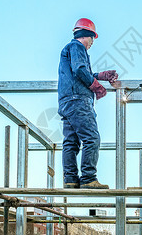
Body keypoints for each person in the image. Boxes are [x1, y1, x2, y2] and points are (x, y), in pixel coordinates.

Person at [58, 18, 118, 189]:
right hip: (78, 101)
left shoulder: (68, 49)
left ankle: (70, 180)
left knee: (71, 142)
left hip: (66, 101)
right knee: (92, 138)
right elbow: (80, 70)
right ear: (87, 35)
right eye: (92, 38)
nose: (92, 42)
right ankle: (88, 178)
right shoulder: (77, 47)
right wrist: (96, 86)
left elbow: (80, 71)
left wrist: (101, 75)